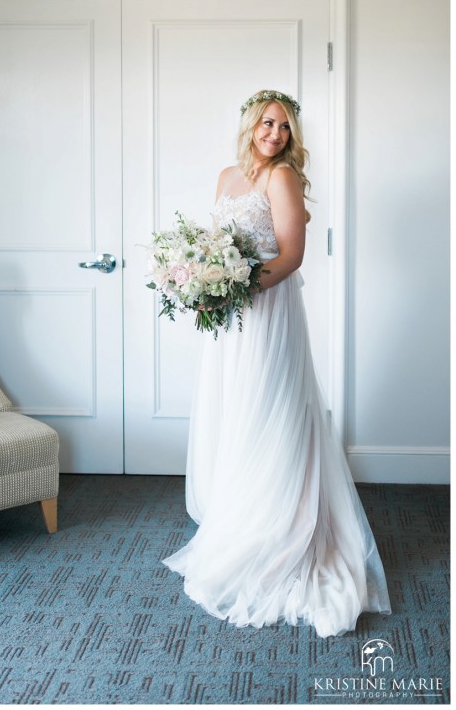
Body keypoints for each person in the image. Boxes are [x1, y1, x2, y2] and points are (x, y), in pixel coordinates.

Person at [162, 90, 392, 638]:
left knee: (272, 409)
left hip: (266, 312)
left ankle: (280, 524)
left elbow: (291, 256)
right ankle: (238, 514)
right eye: (268, 123)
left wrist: (235, 289)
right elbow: (215, 242)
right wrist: (201, 279)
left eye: (285, 127)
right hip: (232, 321)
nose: (275, 135)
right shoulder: (226, 176)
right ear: (250, 124)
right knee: (235, 409)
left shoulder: (282, 178)